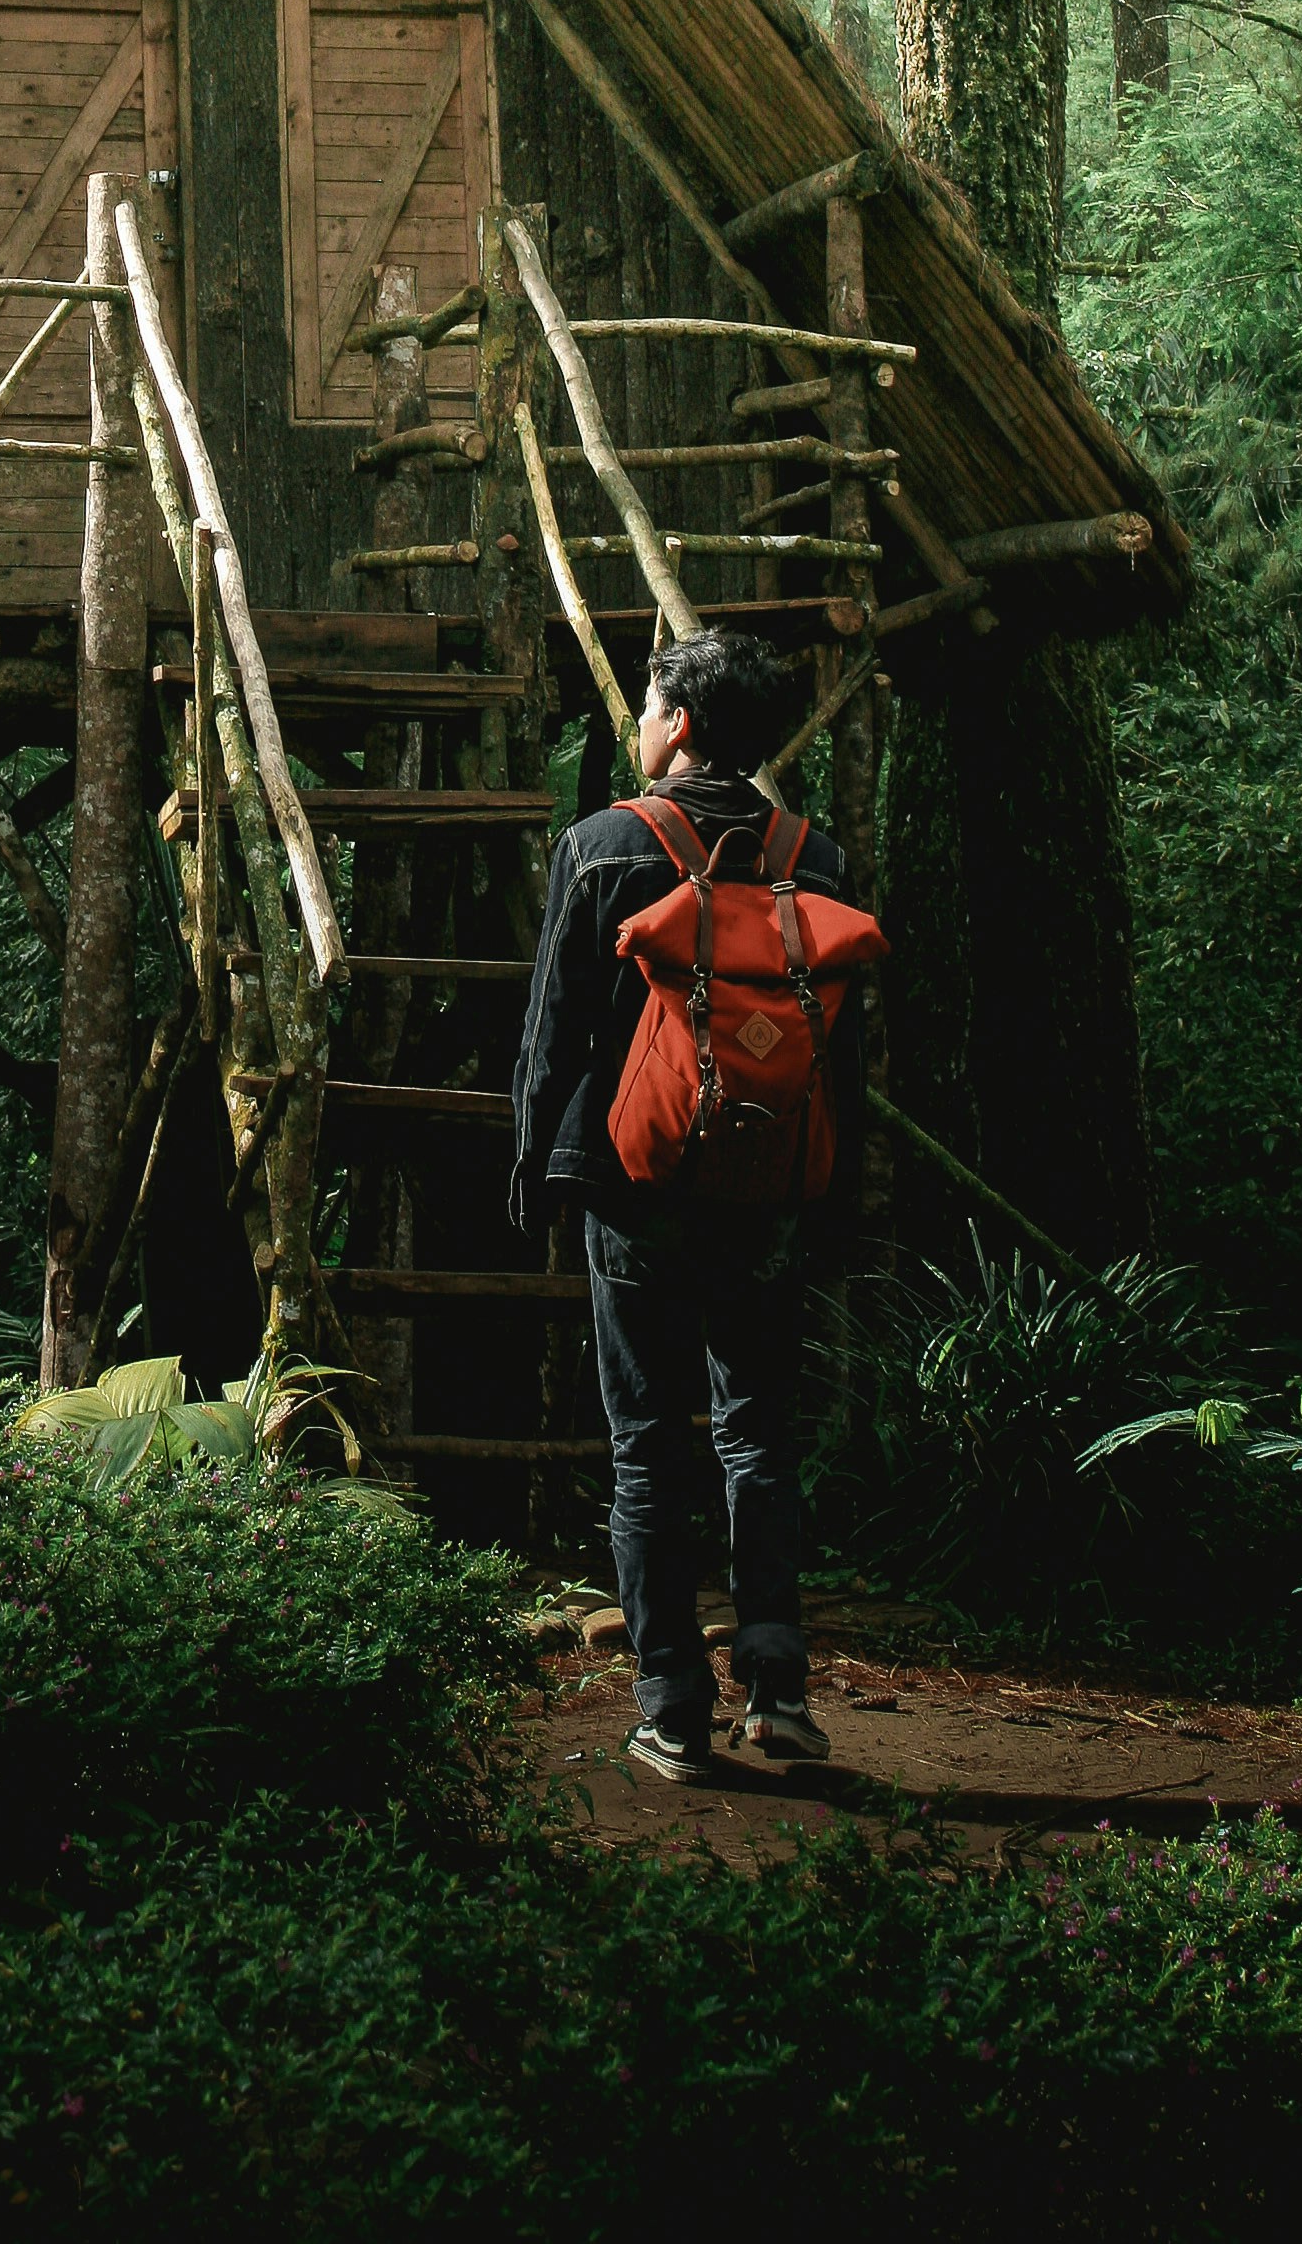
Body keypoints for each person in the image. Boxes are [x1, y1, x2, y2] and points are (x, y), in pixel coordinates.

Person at [509, 626, 862, 1778]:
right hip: (766, 1192)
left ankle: (670, 1708)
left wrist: (531, 1162)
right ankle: (777, 1690)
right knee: (758, 1433)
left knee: (646, 1446)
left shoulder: (603, 844)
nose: (643, 721)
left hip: (635, 1189)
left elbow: (553, 1032)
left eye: (654, 703)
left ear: (683, 725)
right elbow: (836, 1057)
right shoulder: (817, 862)